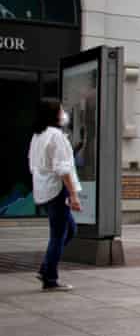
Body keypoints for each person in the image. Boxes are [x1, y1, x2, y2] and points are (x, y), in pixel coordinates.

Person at [29, 98, 82, 291]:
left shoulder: (38, 135)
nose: (63, 113)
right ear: (54, 113)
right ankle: (50, 278)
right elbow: (63, 169)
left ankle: (45, 268)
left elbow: (33, 164)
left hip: (45, 189)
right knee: (59, 235)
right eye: (61, 110)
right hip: (57, 190)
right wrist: (73, 195)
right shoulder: (56, 136)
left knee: (69, 230)